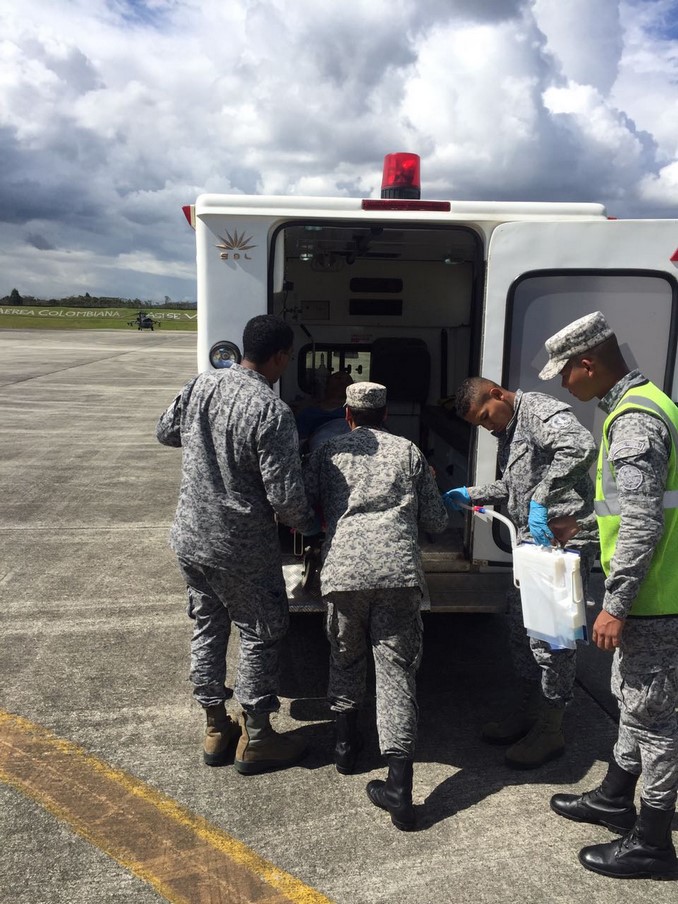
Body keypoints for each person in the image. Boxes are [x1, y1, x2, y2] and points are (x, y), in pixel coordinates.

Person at [539, 311, 678, 880]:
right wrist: (581, 529)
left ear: (588, 363)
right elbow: (626, 510)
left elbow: (644, 524)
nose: (562, 383)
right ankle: (615, 796)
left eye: (564, 373)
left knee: (655, 720)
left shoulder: (635, 421)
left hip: (656, 599)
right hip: (655, 592)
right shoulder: (640, 405)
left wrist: (616, 604)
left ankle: (652, 841)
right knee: (632, 700)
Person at [156, 314, 318, 775]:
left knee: (208, 626)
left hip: (191, 538)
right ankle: (259, 737)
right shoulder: (271, 410)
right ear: (281, 357)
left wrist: (209, 446)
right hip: (240, 546)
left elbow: (165, 432)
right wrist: (311, 528)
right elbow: (284, 497)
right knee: (260, 632)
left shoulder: (201, 384)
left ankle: (215, 726)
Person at [303, 381, 448, 831]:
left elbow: (302, 506)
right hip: (398, 575)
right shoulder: (409, 452)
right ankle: (399, 789)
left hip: (344, 573)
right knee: (396, 672)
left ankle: (345, 749)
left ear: (347, 415)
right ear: (386, 414)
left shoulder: (327, 452)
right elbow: (436, 520)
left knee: (345, 655)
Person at [446, 377, 598, 769]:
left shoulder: (537, 411)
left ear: (497, 394)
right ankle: (530, 713)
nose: (487, 427)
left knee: (553, 639)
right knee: (523, 634)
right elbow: (514, 487)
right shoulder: (511, 430)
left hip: (558, 543)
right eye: (480, 424)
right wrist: (472, 494)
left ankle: (551, 728)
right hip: (532, 547)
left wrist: (542, 499)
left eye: (485, 417)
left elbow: (580, 446)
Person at [295, 370, 353, 450]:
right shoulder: (308, 413)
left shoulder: (354, 412)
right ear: (327, 384)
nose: (342, 382)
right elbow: (299, 442)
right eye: (338, 378)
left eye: (347, 380)